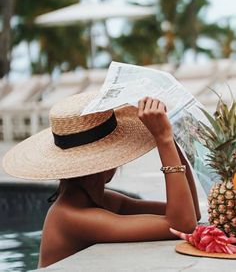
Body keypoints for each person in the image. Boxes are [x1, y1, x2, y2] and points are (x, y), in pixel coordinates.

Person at [2, 92, 201, 268]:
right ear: (107, 162)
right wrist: (163, 140)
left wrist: (169, 138)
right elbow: (182, 225)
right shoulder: (73, 216)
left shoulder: (101, 201)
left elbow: (191, 211)